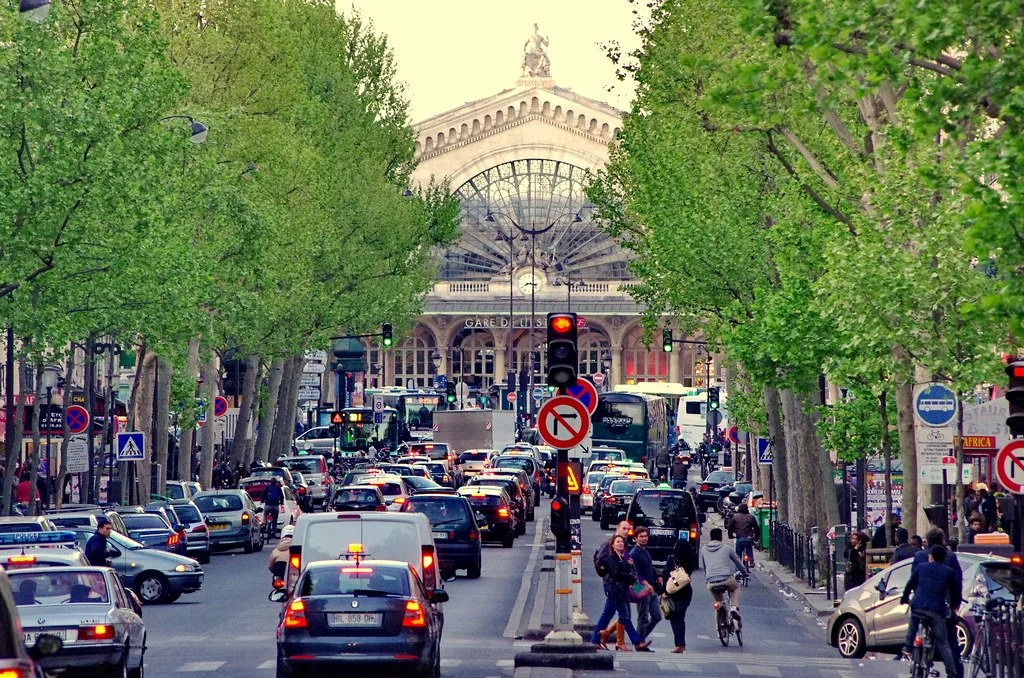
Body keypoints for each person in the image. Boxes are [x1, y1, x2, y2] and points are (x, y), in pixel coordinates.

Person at [900, 546, 961, 678]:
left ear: (931, 557)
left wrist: (904, 598)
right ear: (944, 558)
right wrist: (953, 605)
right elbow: (954, 591)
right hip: (936, 610)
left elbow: (910, 584)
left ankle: (908, 647)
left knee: (913, 622)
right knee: (943, 642)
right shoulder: (948, 571)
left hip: (918, 606)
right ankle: (951, 672)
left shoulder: (921, 567)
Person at [589, 535, 651, 651]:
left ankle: (599, 637)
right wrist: (633, 581)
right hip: (616, 592)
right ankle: (637, 642)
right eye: (618, 542)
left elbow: (631, 574)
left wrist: (638, 586)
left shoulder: (623, 558)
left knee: (611, 615)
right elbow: (617, 574)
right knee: (624, 617)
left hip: (621, 591)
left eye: (622, 542)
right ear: (613, 545)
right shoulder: (611, 558)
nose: (620, 544)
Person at [699, 527, 746, 620]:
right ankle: (734, 607)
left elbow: (705, 567)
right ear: (721, 537)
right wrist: (745, 573)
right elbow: (738, 563)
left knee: (718, 601)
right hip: (726, 579)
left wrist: (707, 578)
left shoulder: (704, 549)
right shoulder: (727, 548)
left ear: (711, 538)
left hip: (711, 581)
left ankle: (719, 615)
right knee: (735, 588)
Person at [663, 537, 696, 653]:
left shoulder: (671, 559)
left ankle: (679, 644)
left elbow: (667, 576)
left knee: (674, 618)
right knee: (680, 619)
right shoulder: (690, 561)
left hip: (673, 592)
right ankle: (681, 644)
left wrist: (665, 592)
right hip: (686, 592)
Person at [629, 527, 661, 641]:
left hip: (651, 587)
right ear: (635, 538)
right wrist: (644, 586)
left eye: (646, 536)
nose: (644, 539)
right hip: (640, 587)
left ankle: (639, 638)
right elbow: (634, 573)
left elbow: (650, 568)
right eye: (641, 536)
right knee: (643, 617)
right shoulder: (634, 553)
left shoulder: (646, 551)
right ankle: (640, 642)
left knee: (657, 616)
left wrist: (658, 575)